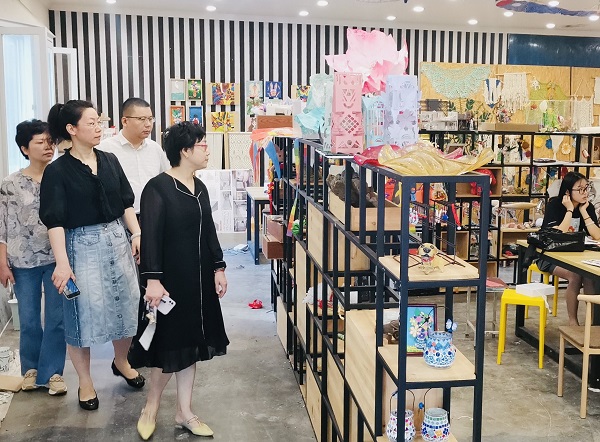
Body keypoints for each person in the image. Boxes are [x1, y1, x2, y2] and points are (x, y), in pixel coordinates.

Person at [39, 100, 145, 411]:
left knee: (127, 305)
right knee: (81, 315)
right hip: (81, 246)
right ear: (71, 129)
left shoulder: (110, 160)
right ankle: (85, 381)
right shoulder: (57, 171)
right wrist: (62, 263)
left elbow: (126, 203)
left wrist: (137, 233)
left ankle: (121, 361)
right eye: (91, 123)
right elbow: (54, 221)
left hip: (117, 239)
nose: (99, 128)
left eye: (99, 122)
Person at [129, 121, 229, 440]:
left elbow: (209, 230)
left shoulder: (199, 187)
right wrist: (153, 280)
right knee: (168, 347)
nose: (207, 150)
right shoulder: (157, 188)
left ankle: (184, 411)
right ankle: (150, 408)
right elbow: (151, 238)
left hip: (198, 280)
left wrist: (219, 267)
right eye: (202, 144)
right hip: (169, 281)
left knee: (191, 344)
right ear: (185, 151)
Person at [0, 120, 67, 396]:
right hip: (22, 261)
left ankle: (52, 373)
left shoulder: (61, 177)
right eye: (40, 142)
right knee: (28, 319)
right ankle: (30, 369)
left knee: (57, 319)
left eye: (50, 142)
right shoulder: (10, 184)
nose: (47, 147)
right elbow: (2, 226)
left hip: (56, 260)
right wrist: (2, 262)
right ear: (24, 149)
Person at [537, 171, 600, 326]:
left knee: (590, 276)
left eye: (586, 188)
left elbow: (597, 235)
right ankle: (573, 322)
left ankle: (593, 323)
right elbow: (558, 234)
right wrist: (570, 210)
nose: (585, 193)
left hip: (575, 256)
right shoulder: (555, 205)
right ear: (567, 191)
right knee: (575, 275)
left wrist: (584, 212)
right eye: (580, 189)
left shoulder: (587, 207)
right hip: (549, 256)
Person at [98, 97, 169, 215]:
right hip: (119, 218)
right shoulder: (105, 149)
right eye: (142, 119)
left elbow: (165, 182)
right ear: (125, 121)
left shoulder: (155, 148)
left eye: (150, 119)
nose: (148, 124)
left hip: (153, 215)